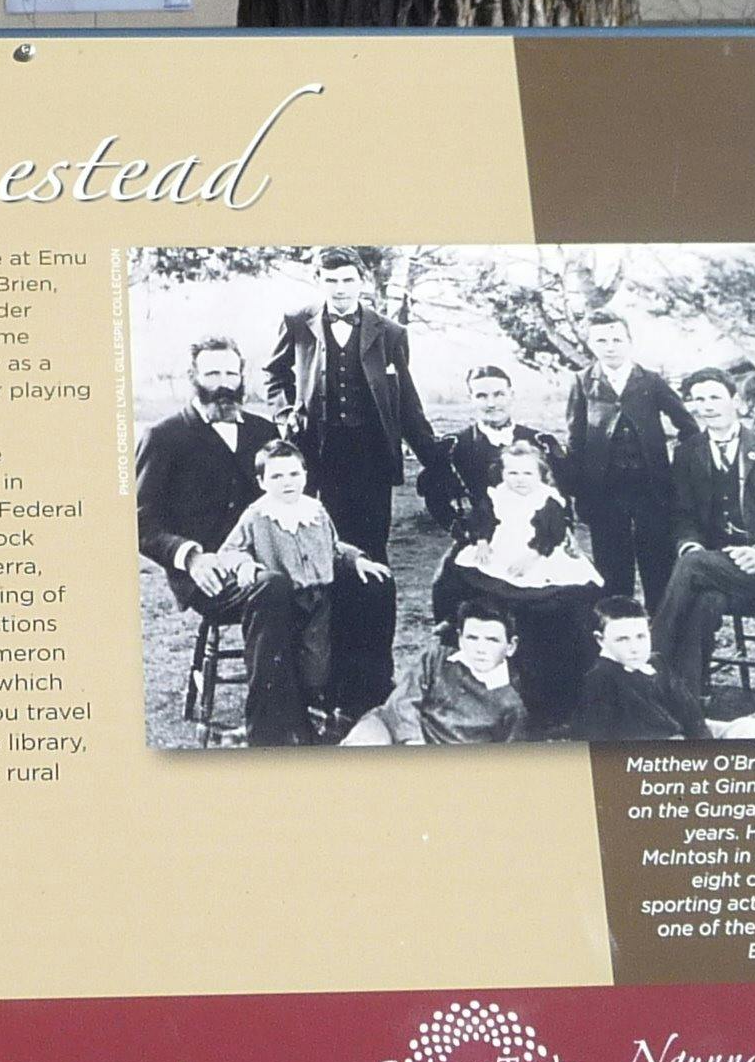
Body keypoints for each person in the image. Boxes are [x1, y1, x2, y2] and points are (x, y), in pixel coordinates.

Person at [265, 251, 445, 716]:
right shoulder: (297, 323)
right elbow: (274, 375)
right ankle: (326, 678)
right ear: (319, 281)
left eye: (348, 280)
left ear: (361, 281)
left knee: (372, 566)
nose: (340, 288)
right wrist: (286, 413)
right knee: (326, 564)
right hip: (317, 467)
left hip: (370, 467)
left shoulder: (389, 333)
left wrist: (434, 459)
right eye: (331, 280)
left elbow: (405, 400)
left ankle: (372, 677)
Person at [649, 367, 755, 726]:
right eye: (699, 399)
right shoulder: (688, 453)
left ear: (735, 402)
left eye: (715, 397)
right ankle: (688, 701)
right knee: (704, 598)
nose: (707, 406)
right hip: (716, 571)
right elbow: (682, 516)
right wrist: (690, 544)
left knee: (694, 571)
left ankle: (652, 664)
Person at [211, 438, 391, 745]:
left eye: (294, 474)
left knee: (316, 665)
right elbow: (230, 551)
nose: (287, 483)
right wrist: (244, 566)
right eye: (276, 477)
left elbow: (334, 547)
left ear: (305, 475)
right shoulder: (257, 515)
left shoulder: (315, 511)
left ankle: (323, 710)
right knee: (283, 664)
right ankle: (287, 723)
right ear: (261, 481)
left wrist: (356, 559)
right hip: (281, 603)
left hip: (319, 600)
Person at [440, 430, 606, 721]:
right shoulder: (498, 495)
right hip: (501, 551)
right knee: (463, 573)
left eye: (527, 473)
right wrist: (481, 540)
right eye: (512, 473)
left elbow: (552, 532)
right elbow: (484, 519)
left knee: (555, 597)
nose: (519, 479)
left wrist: (533, 556)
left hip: (538, 554)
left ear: (541, 475)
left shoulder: (548, 499)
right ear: (502, 474)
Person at [560, 307, 701, 610]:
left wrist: (676, 471)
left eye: (616, 339)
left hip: (652, 492)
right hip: (605, 494)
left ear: (629, 341)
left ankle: (661, 636)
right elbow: (575, 440)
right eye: (601, 341)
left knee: (658, 566)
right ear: (590, 345)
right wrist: (579, 493)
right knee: (612, 569)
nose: (610, 347)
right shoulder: (583, 382)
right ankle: (618, 635)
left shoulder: (650, 381)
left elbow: (687, 426)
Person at [134, 336, 280, 617]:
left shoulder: (263, 432)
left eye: (230, 374)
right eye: (212, 374)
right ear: (193, 377)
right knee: (274, 589)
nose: (223, 384)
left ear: (241, 375)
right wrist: (190, 557)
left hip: (267, 561)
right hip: (208, 574)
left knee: (362, 585)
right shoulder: (164, 437)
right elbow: (139, 521)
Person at [346, 608, 529, 746]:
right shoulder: (437, 658)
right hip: (396, 728)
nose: (481, 649)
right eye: (472, 638)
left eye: (492, 640)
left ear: (511, 646)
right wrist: (412, 741)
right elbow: (403, 702)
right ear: (460, 639)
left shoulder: (511, 705)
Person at [438, 364, 558, 541]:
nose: (491, 404)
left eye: (499, 394)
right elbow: (438, 499)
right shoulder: (454, 446)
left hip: (538, 541)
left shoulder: (540, 442)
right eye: (481, 396)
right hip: (480, 543)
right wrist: (465, 534)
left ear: (512, 395)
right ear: (470, 398)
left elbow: (559, 495)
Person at [570, 598, 690, 743]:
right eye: (622, 639)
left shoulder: (657, 662)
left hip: (681, 739)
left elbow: (690, 713)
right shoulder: (601, 679)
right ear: (600, 640)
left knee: (724, 731)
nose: (634, 648)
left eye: (641, 637)